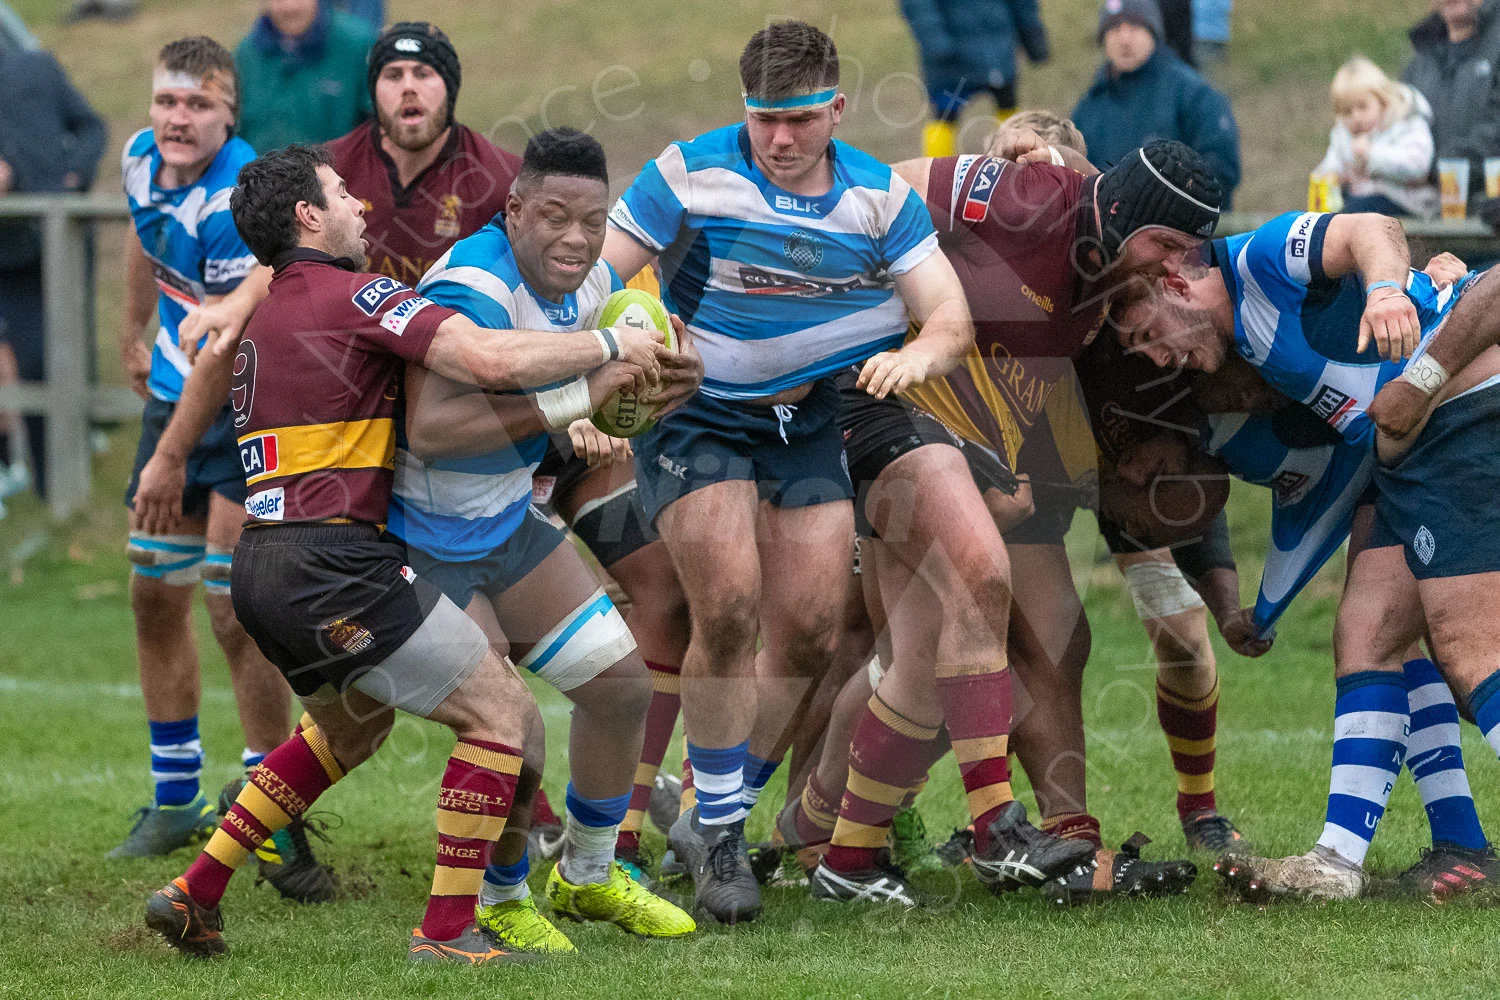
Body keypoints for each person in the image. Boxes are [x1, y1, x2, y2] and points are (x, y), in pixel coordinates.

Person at [142, 143, 674, 962]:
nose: (360, 205)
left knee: (348, 731)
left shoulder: (270, 314)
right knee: (502, 717)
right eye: (341, 193)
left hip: (264, 565)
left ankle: (195, 891)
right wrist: (609, 354)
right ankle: (449, 931)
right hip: (337, 567)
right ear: (307, 218)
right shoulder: (357, 294)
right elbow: (486, 359)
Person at [776, 137, 1222, 905]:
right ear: (1131, 217)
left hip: (965, 444)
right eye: (1171, 246)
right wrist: (806, 301)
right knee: (978, 580)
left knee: (914, 663)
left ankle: (829, 851)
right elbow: (889, 183)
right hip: (888, 400)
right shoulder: (1031, 200)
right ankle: (994, 829)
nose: (1174, 268)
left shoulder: (1106, 271)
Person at [603, 19, 975, 924]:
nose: (778, 138)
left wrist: (916, 359)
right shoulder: (690, 170)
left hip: (806, 422)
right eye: (764, 118)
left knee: (809, 631)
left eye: (799, 120)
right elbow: (597, 281)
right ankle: (725, 833)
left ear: (836, 110)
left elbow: (950, 320)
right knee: (728, 603)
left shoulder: (882, 199)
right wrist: (618, 358)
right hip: (696, 413)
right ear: (745, 110)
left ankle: (699, 813)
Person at [1116, 211, 1500, 899]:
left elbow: (1371, 228)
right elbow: (1323, 495)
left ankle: (1430, 847)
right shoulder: (1240, 381)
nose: (1155, 356)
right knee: (1369, 633)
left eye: (1148, 334)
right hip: (1410, 446)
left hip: (1458, 407)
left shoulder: (1259, 262)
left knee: (1471, 650)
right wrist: (1255, 606)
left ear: (1174, 281)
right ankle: (1350, 862)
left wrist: (1388, 290)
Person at [392, 126, 700, 952]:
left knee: (620, 685)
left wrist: (669, 384)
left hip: (505, 518)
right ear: (515, 208)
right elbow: (431, 430)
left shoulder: (595, 278)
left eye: (593, 220)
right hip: (421, 539)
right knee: (512, 725)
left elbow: (610, 392)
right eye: (555, 216)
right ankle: (499, 894)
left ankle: (590, 876)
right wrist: (584, 393)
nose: (576, 238)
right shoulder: (473, 284)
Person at [112, 38, 334, 904]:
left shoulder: (237, 202)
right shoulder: (140, 158)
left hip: (246, 407)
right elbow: (141, 236)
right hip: (175, 395)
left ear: (228, 114)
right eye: (168, 101)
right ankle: (174, 801)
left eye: (198, 106)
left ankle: (269, 820)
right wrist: (134, 327)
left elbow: (227, 344)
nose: (177, 119)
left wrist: (170, 457)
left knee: (235, 609)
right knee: (150, 591)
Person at [0, 40, 107, 509]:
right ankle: (30, 476)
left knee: (52, 356)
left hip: (56, 242)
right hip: (7, 257)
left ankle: (56, 484)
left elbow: (91, 128)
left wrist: (72, 178)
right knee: (26, 360)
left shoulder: (36, 69)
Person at [1072, 0, 1240, 206]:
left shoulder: (1192, 93)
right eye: (1114, 29)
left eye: (1134, 27)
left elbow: (1221, 170)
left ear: (1153, 32)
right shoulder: (1089, 106)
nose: (1124, 39)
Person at [898, 0, 1050, 157]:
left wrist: (1034, 39)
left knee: (1008, 107)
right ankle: (933, 173)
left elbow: (1022, 5)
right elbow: (919, 6)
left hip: (998, 52)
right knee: (945, 116)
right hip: (953, 62)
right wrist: (935, 43)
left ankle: (1016, 166)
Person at [234, 0, 376, 152]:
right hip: (262, 173)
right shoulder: (247, 54)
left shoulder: (358, 45)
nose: (290, 7)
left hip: (337, 172)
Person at [1404, 0, 1500, 217]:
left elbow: (1495, 132)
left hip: (1489, 216)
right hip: (1428, 215)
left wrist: (1433, 170)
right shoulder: (1420, 60)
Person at [1314, 56, 1436, 218]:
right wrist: (1328, 176)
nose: (1355, 117)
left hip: (1406, 204)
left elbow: (1418, 165)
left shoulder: (1405, 121)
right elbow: (1334, 162)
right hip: (1359, 202)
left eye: (1362, 106)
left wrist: (1371, 155)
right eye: (1347, 111)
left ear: (1382, 100)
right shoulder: (1344, 134)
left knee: (1355, 216)